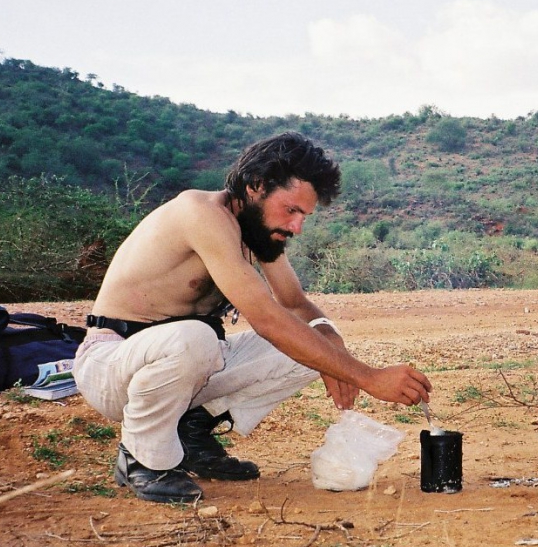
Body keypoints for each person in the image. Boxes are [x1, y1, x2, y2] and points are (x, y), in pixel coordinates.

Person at [73, 132, 432, 503]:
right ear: (255, 186)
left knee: (315, 339)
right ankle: (141, 458)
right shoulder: (201, 214)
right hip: (113, 363)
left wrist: (334, 345)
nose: (296, 227)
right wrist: (368, 377)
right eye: (291, 210)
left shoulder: (256, 231)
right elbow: (267, 319)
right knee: (196, 338)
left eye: (304, 216)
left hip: (185, 367)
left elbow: (295, 304)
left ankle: (190, 432)